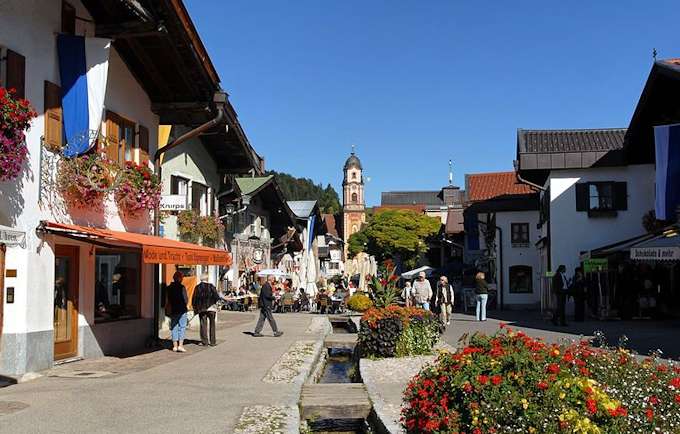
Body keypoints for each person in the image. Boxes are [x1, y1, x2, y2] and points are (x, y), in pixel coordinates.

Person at [191, 273, 222, 346]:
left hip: (202, 309)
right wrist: (217, 305)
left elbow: (194, 299)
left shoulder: (197, 287)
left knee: (203, 325)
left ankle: (204, 342)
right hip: (212, 308)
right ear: (207, 279)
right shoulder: (211, 286)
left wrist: (194, 307)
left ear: (201, 279)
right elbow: (217, 297)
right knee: (212, 324)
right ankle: (213, 342)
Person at [166, 271, 189, 352]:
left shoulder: (169, 287)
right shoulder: (182, 287)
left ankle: (175, 346)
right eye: (182, 277)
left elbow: (166, 299)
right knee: (182, 327)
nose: (182, 279)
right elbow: (186, 299)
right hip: (182, 309)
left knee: (174, 327)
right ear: (179, 278)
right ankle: (180, 345)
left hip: (173, 310)